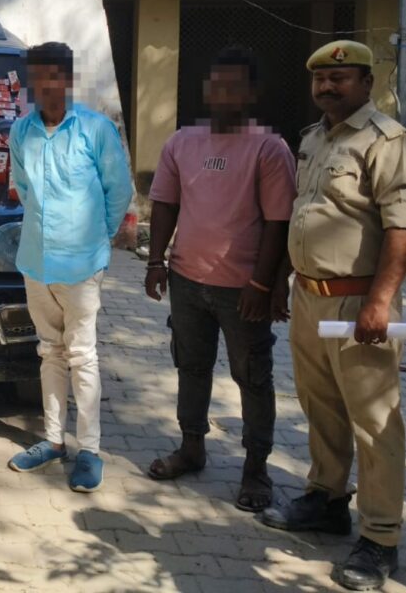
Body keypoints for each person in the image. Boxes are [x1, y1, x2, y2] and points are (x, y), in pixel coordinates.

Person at [260, 41, 406, 591]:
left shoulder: (390, 142)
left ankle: (380, 537)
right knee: (321, 406)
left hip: (360, 303)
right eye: (320, 80)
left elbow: (403, 228)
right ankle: (326, 500)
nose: (327, 87)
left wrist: (380, 302)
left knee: (375, 422)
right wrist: (283, 281)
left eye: (341, 78)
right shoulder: (313, 138)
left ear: (366, 83)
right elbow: (303, 214)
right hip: (310, 296)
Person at [143, 46, 296, 512]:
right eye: (217, 84)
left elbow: (279, 223)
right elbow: (165, 204)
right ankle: (192, 447)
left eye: (235, 85)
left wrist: (263, 284)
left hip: (243, 288)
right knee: (191, 367)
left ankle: (256, 468)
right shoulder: (181, 142)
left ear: (252, 93)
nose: (224, 93)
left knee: (252, 377)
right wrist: (155, 262)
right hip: (187, 280)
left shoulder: (269, 148)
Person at [6, 42, 132, 492]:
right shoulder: (21, 131)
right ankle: (54, 440)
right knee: (49, 351)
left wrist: (97, 238)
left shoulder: (95, 130)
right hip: (36, 262)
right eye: (36, 77)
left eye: (52, 76)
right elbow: (23, 187)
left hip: (82, 266)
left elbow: (119, 190)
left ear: (67, 79)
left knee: (82, 355)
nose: (44, 85)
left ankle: (90, 450)